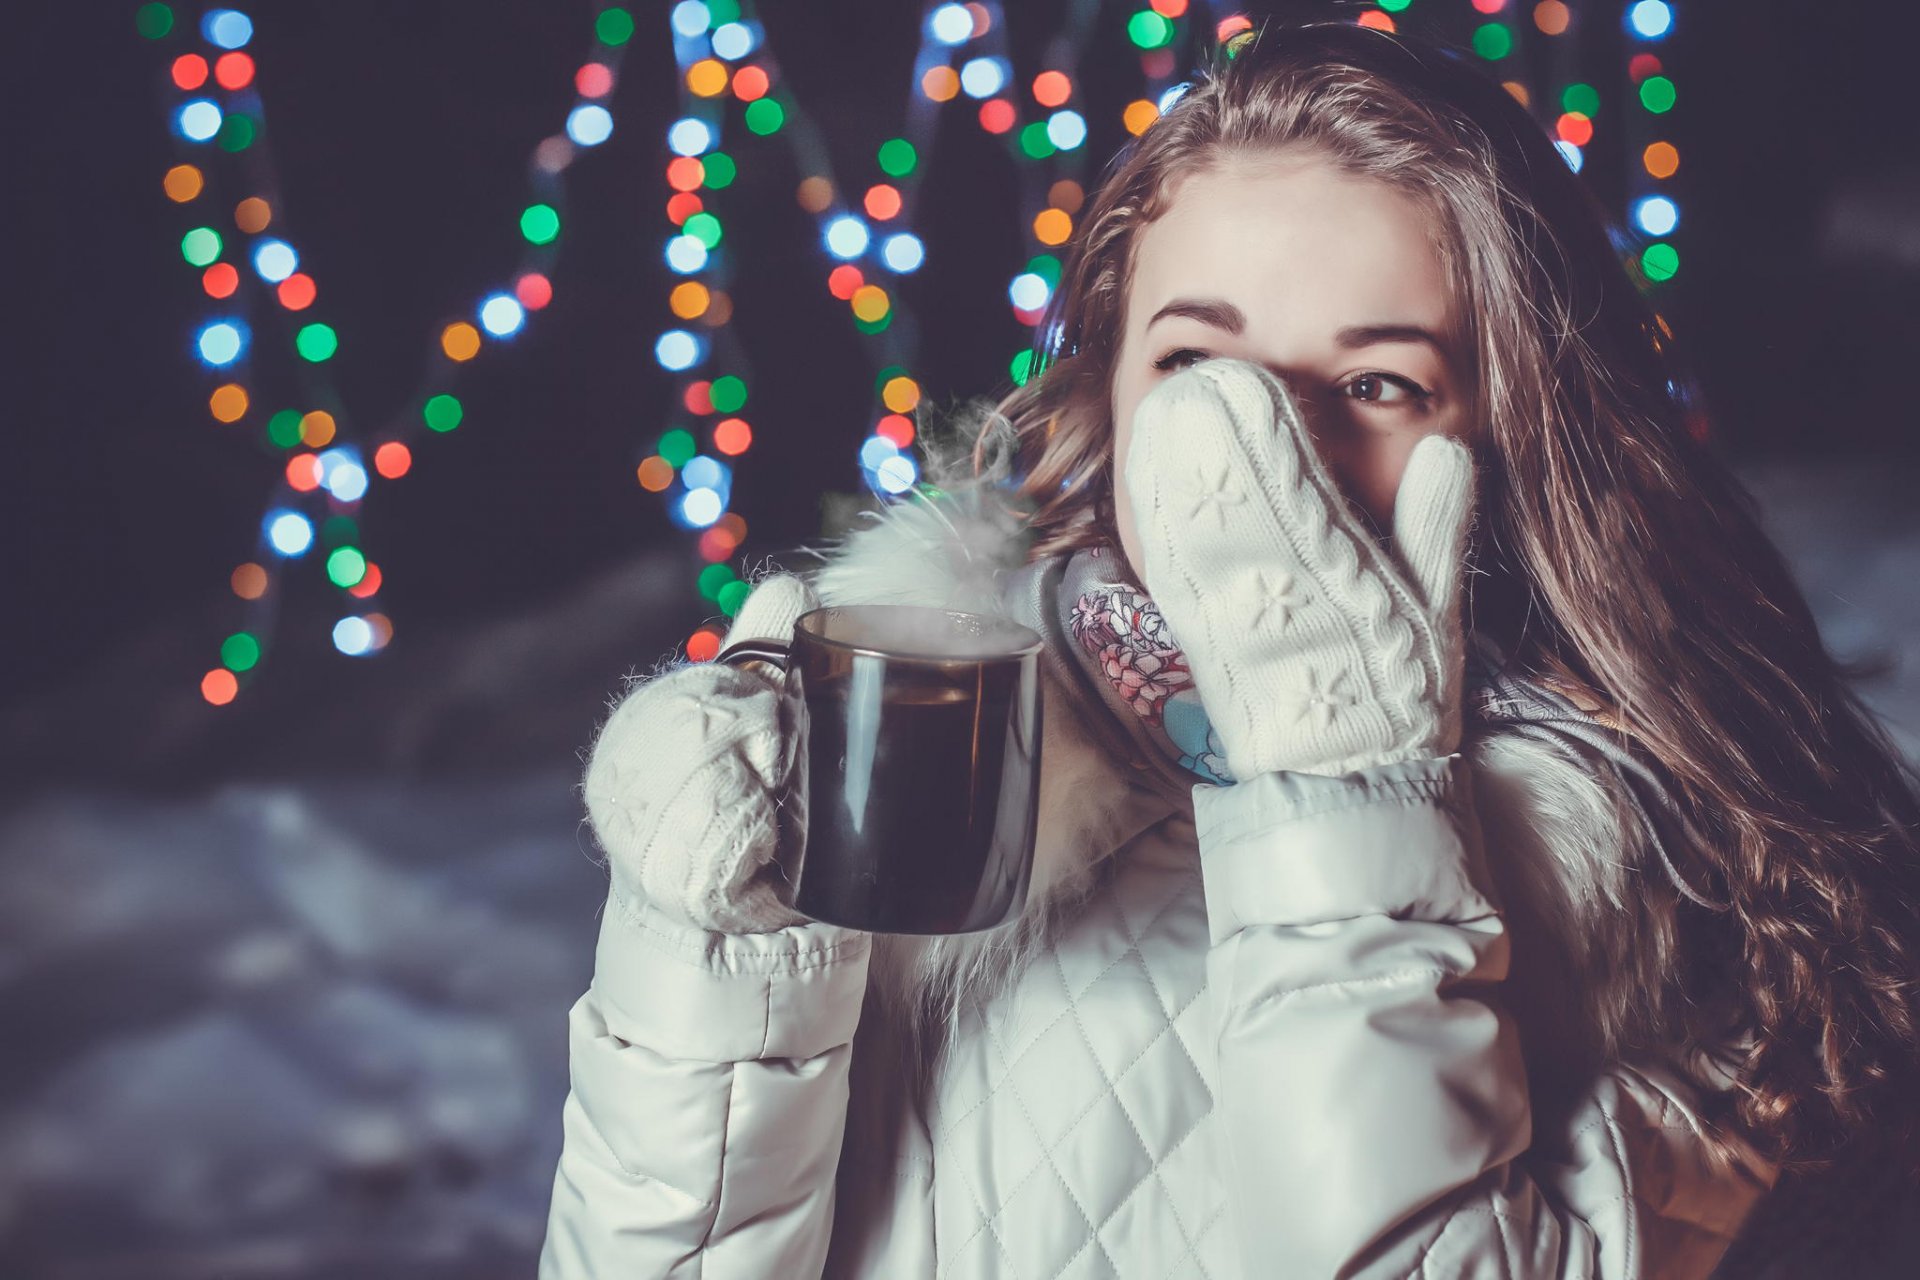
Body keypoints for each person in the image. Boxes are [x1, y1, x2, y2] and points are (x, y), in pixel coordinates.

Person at [539, 17, 1920, 1279]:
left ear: (1511, 441)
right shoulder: (931, 751)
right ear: (1111, 393)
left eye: (1376, 384)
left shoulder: (1685, 884)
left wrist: (1346, 786)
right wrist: (714, 943)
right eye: (1202, 371)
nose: (1260, 456)